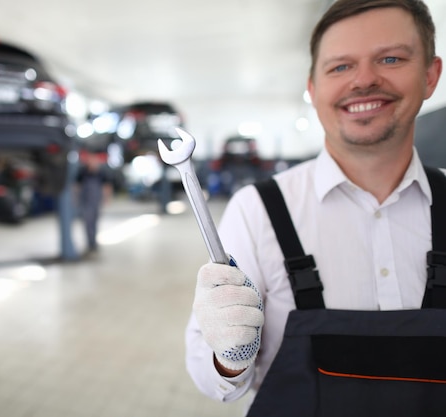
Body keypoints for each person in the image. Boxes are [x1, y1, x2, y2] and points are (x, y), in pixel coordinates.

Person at [185, 0, 445, 416]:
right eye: (340, 67)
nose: (364, 80)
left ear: (431, 75)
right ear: (312, 88)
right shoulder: (257, 211)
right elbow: (215, 382)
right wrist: (228, 356)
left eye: (391, 58)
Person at [75, 151, 113, 252]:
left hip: (96, 201)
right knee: (88, 222)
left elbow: (107, 187)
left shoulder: (101, 173)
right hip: (85, 201)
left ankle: (93, 242)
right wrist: (76, 200)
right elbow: (77, 187)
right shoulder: (82, 172)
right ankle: (90, 242)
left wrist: (106, 199)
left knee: (95, 222)